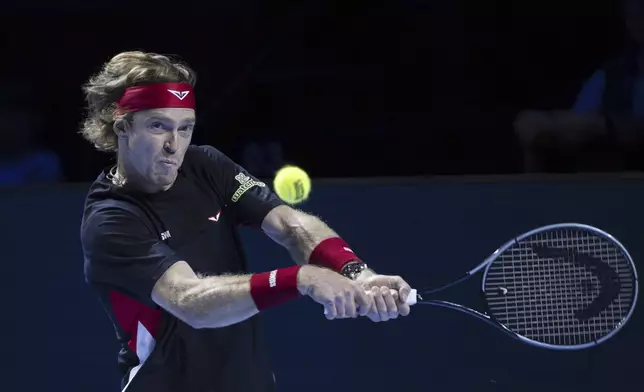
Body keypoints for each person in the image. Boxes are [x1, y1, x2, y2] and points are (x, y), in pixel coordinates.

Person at [79, 51, 413, 392]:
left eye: (185, 128)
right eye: (157, 126)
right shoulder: (111, 219)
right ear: (122, 127)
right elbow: (189, 299)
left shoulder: (205, 166)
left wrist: (358, 273)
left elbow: (291, 226)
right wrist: (302, 278)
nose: (173, 145)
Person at [514, 0, 644, 172]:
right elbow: (579, 121)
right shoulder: (612, 74)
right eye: (634, 14)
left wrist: (604, 126)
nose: (638, 20)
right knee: (533, 126)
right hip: (611, 176)